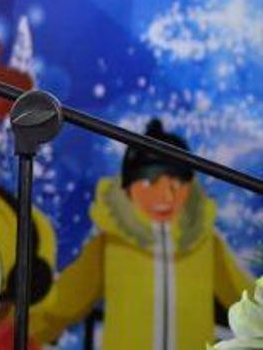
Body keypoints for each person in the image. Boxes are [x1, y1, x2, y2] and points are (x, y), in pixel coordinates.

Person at [31, 119, 254, 349]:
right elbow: (63, 303)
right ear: (128, 188)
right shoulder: (110, 246)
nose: (166, 196)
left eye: (177, 183)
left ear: (190, 187)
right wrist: (28, 330)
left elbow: (247, 301)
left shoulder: (205, 245)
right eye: (150, 183)